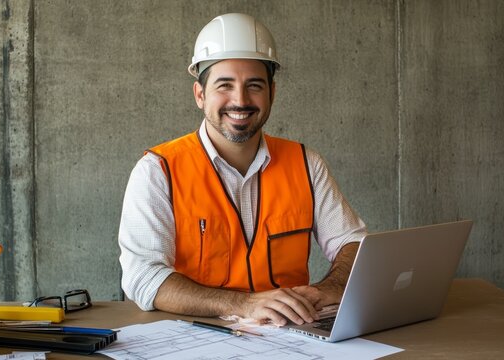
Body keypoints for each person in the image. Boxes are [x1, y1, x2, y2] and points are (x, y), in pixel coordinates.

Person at [118, 13, 367, 326]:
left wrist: (326, 290)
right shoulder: (158, 172)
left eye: (254, 85)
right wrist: (244, 304)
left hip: (291, 337)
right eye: (225, 85)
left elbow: (354, 244)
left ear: (271, 93)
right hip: (199, 339)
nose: (240, 99)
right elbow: (144, 278)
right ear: (200, 95)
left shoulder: (306, 164)